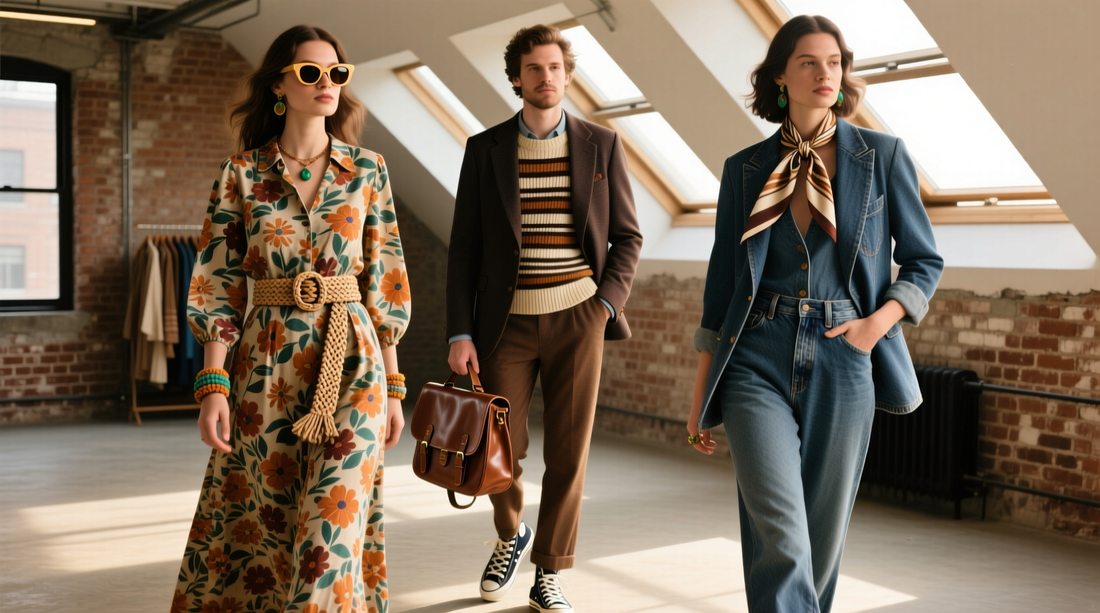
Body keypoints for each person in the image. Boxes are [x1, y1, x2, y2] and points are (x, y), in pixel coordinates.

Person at [685, 15, 943, 613]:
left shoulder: (881, 156)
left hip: (844, 351)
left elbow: (923, 260)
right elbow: (721, 288)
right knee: (781, 534)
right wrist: (701, 396)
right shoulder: (744, 169)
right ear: (780, 75)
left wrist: (874, 327)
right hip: (755, 354)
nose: (826, 74)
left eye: (834, 62)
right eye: (809, 62)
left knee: (820, 539)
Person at [172, 25, 409, 613]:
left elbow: (385, 278)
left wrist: (395, 384)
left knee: (330, 534)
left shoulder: (368, 170)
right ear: (279, 85)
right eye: (310, 72)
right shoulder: (241, 173)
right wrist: (213, 385)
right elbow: (218, 282)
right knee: (270, 525)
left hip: (353, 364)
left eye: (337, 73)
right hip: (267, 366)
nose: (327, 83)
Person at [445, 23, 642, 613]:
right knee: (498, 448)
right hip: (503, 325)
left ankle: (549, 571)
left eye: (555, 67)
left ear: (567, 74)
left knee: (569, 453)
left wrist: (604, 305)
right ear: (516, 78)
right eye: (534, 68)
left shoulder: (602, 144)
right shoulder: (485, 149)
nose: (546, 77)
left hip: (579, 318)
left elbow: (628, 236)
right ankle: (511, 534)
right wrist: (460, 330)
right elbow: (464, 249)